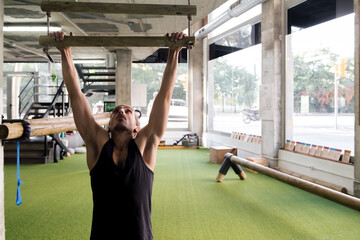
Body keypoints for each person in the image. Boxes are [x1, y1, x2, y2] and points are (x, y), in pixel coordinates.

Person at [51, 31, 186, 239]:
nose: (121, 112)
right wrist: (65, 51)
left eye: (128, 111)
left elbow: (165, 96)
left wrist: (174, 51)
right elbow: (75, 94)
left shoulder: (146, 144)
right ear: (109, 126)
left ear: (136, 128)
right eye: (116, 111)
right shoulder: (97, 146)